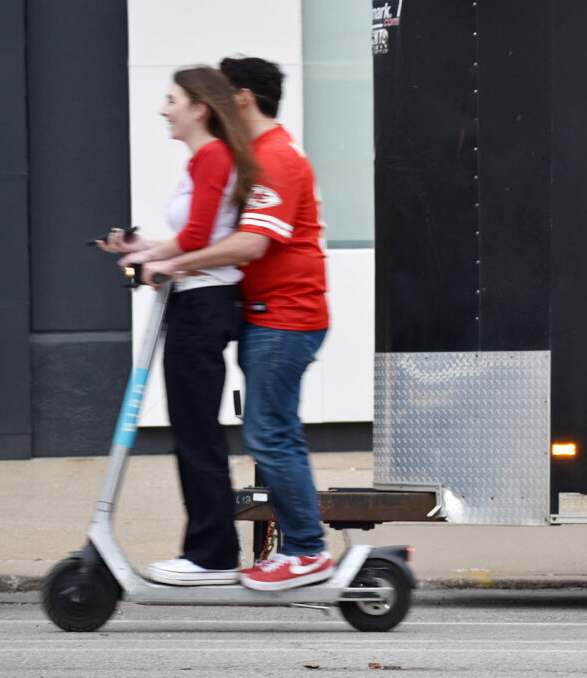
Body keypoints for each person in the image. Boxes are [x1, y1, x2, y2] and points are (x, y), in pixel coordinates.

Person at [124, 56, 331, 591]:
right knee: (268, 431)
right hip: (265, 314)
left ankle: (306, 551)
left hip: (286, 317)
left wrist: (173, 264)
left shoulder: (275, 157)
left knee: (270, 433)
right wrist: (156, 251)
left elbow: (250, 244)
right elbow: (217, 236)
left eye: (220, 92)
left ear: (241, 98)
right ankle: (298, 550)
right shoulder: (254, 155)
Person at [99, 66, 257, 586]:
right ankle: (209, 549)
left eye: (171, 100)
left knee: (196, 432)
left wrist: (153, 261)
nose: (163, 109)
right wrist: (140, 249)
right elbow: (194, 236)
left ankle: (212, 554)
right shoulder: (202, 159)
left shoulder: (212, 156)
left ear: (199, 108)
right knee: (193, 430)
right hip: (196, 300)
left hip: (204, 303)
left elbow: (195, 238)